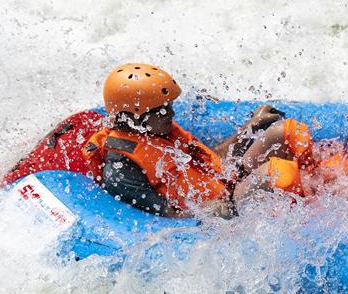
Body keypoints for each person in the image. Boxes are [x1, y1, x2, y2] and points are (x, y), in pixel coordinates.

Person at [83, 63, 312, 217]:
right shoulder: (121, 168)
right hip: (224, 208)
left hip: (227, 181)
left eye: (169, 106)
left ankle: (322, 177)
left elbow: (207, 158)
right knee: (278, 173)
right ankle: (316, 207)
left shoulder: (159, 130)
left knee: (284, 131)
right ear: (133, 116)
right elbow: (165, 214)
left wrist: (248, 130)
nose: (171, 114)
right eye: (162, 110)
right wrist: (211, 211)